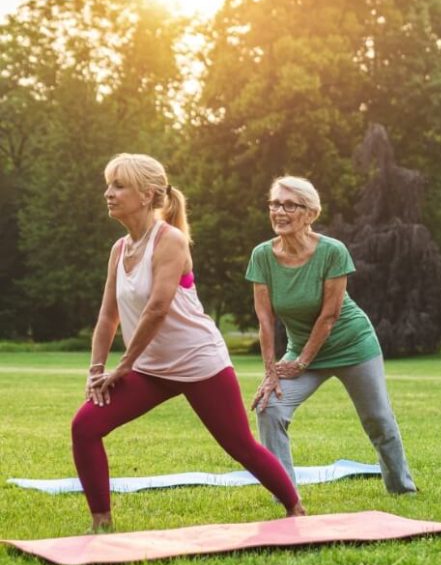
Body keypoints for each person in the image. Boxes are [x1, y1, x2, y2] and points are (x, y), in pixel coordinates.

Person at [72, 154, 305, 533]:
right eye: (109, 184)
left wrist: (124, 366)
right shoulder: (119, 249)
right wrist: (96, 370)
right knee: (85, 427)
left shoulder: (170, 241)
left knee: (239, 444)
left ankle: (296, 509)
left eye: (119, 185)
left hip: (199, 362)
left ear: (147, 195)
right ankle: (101, 523)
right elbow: (107, 317)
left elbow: (157, 308)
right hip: (151, 369)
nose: (108, 193)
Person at [247, 176, 416, 494]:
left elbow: (330, 315)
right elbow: (265, 319)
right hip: (301, 350)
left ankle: (402, 488)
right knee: (268, 408)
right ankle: (285, 492)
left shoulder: (332, 251)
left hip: (352, 345)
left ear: (310, 213)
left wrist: (302, 362)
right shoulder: (262, 256)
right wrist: (271, 372)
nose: (279, 212)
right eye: (274, 204)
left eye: (289, 205)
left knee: (377, 418)